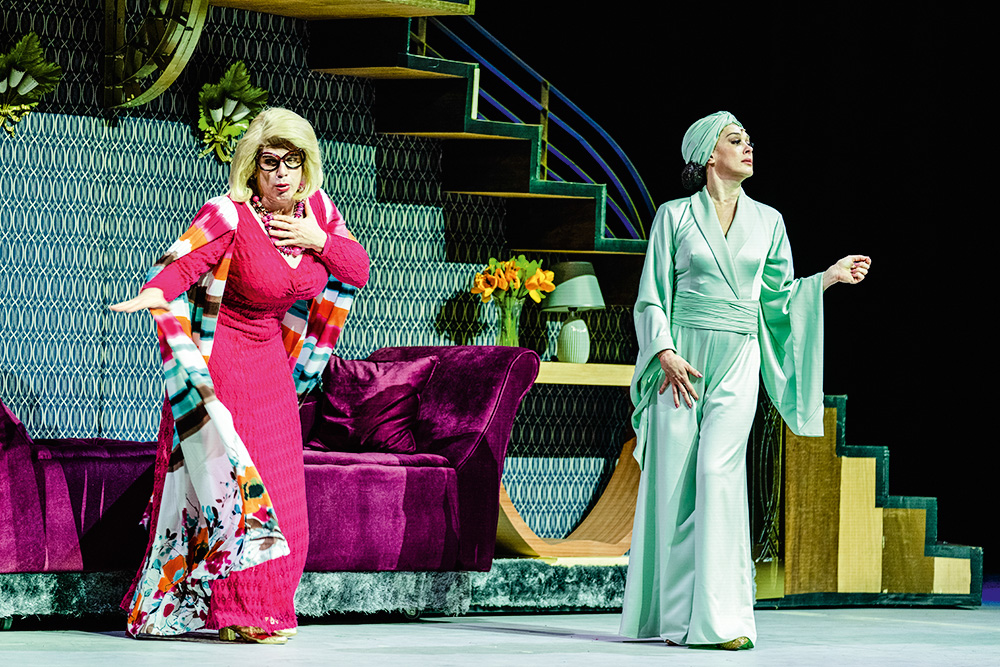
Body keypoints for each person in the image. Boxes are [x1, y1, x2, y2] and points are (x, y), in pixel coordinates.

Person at [111, 107, 370, 644]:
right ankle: (234, 613)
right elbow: (183, 264)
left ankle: (267, 609)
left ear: (306, 168)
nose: (281, 173)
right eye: (269, 162)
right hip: (227, 356)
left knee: (283, 494)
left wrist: (315, 239)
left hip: (273, 363)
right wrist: (154, 295)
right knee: (239, 488)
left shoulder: (317, 213)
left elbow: (357, 269)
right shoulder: (230, 215)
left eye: (292, 162)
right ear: (252, 169)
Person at [619, 111, 870, 650]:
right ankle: (672, 618)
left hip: (740, 358)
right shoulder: (674, 217)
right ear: (709, 154)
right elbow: (650, 295)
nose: (748, 148)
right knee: (676, 485)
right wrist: (662, 350)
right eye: (736, 141)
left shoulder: (769, 221)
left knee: (718, 473)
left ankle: (722, 621)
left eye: (749, 140)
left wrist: (825, 279)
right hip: (681, 361)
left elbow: (777, 301)